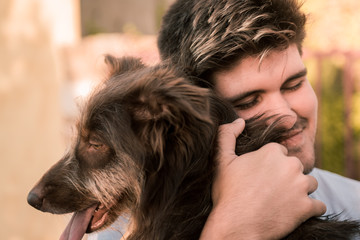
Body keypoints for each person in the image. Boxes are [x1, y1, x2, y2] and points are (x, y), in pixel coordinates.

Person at [91, 0, 360, 239]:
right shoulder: (121, 232)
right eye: (249, 101)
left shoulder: (354, 202)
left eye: (294, 84)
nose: (287, 118)